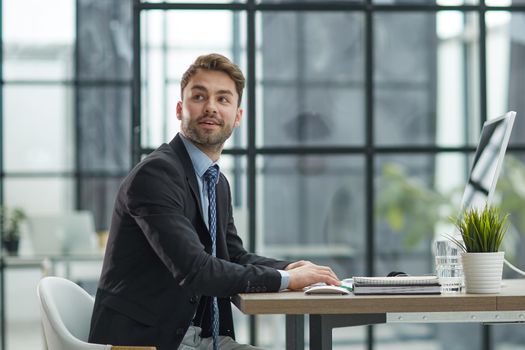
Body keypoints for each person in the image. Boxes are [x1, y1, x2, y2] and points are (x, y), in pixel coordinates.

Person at [89, 53, 340, 350]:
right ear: (181, 109)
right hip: (147, 342)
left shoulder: (216, 181)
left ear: (237, 116)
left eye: (223, 99)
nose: (210, 107)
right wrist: (286, 278)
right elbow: (197, 270)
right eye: (199, 96)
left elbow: (232, 256)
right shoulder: (156, 175)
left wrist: (292, 269)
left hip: (197, 338)